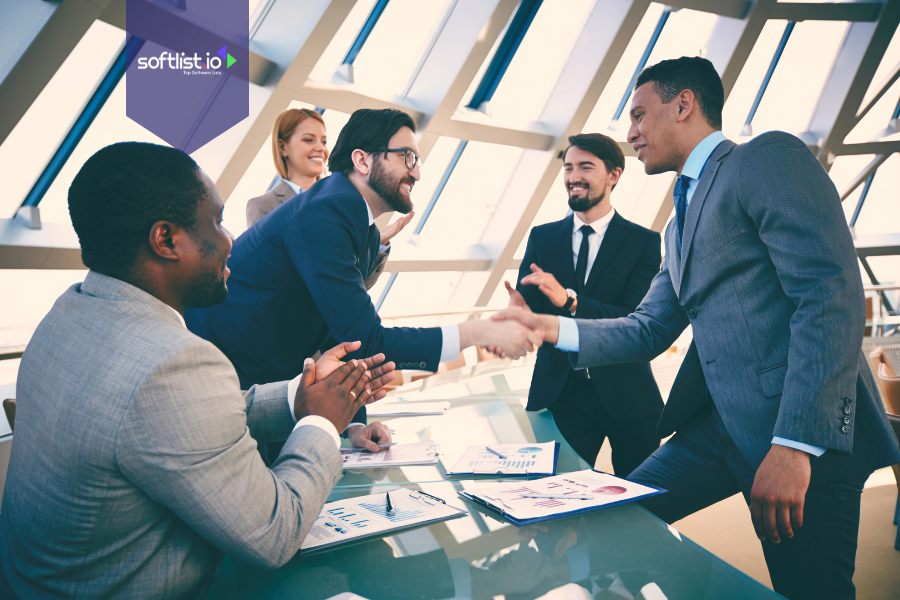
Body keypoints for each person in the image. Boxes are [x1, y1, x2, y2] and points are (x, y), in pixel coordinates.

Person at [493, 57, 900, 600]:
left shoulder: (764, 160)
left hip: (797, 433)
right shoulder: (677, 224)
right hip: (721, 427)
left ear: (683, 104)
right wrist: (548, 327)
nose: (631, 133)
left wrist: (794, 445)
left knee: (810, 590)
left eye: (639, 115)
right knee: (623, 517)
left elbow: (831, 296)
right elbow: (646, 329)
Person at [0, 142, 396, 600]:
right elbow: (273, 532)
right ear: (166, 240)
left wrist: (298, 398)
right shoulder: (171, 361)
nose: (231, 240)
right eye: (216, 221)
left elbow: (180, 420)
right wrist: (323, 423)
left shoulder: (69, 312)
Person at [185, 108, 540, 448]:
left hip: (265, 382)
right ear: (362, 160)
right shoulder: (327, 212)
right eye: (407, 157)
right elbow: (369, 340)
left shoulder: (362, 228)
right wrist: (480, 332)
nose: (416, 174)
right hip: (218, 383)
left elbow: (344, 334)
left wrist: (355, 423)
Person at [505, 132, 663, 473]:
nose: (573, 177)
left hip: (629, 394)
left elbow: (637, 319)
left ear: (614, 175)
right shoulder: (542, 237)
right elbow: (532, 311)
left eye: (585, 167)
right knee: (554, 498)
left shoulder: (644, 243)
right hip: (561, 393)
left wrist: (571, 302)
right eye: (568, 167)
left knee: (645, 503)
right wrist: (520, 312)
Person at [246, 108, 413, 291]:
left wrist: (376, 243)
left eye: (324, 141)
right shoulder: (262, 205)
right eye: (309, 139)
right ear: (282, 147)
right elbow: (272, 278)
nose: (320, 148)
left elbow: (357, 285)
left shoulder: (344, 203)